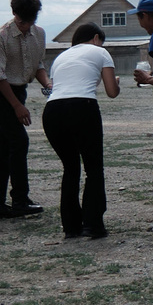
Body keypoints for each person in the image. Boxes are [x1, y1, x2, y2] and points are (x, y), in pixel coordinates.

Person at [44, 21, 119, 239]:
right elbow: (111, 92)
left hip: (52, 110)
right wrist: (117, 83)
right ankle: (93, 224)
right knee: (93, 168)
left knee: (70, 168)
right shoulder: (100, 51)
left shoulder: (61, 57)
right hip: (82, 107)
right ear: (96, 38)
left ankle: (71, 226)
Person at [0, 0, 51, 220]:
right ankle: (20, 200)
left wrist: (50, 86)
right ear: (14, 14)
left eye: (30, 21)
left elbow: (37, 64)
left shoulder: (38, 34)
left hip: (18, 90)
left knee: (5, 148)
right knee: (20, 142)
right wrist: (17, 107)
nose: (25, 26)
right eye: (22, 22)